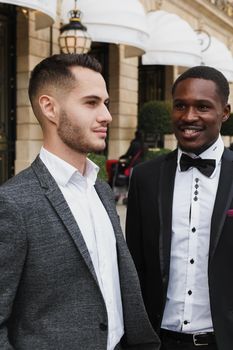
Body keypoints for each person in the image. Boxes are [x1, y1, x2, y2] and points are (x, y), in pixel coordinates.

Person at [0, 53, 160, 350]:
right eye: (91, 103)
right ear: (50, 108)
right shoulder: (13, 203)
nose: (107, 116)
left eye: (106, 103)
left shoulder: (100, 189)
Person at [126, 65, 233, 350]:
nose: (188, 117)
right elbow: (134, 266)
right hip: (158, 341)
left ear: (225, 112)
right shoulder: (144, 177)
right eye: (180, 106)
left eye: (202, 107)